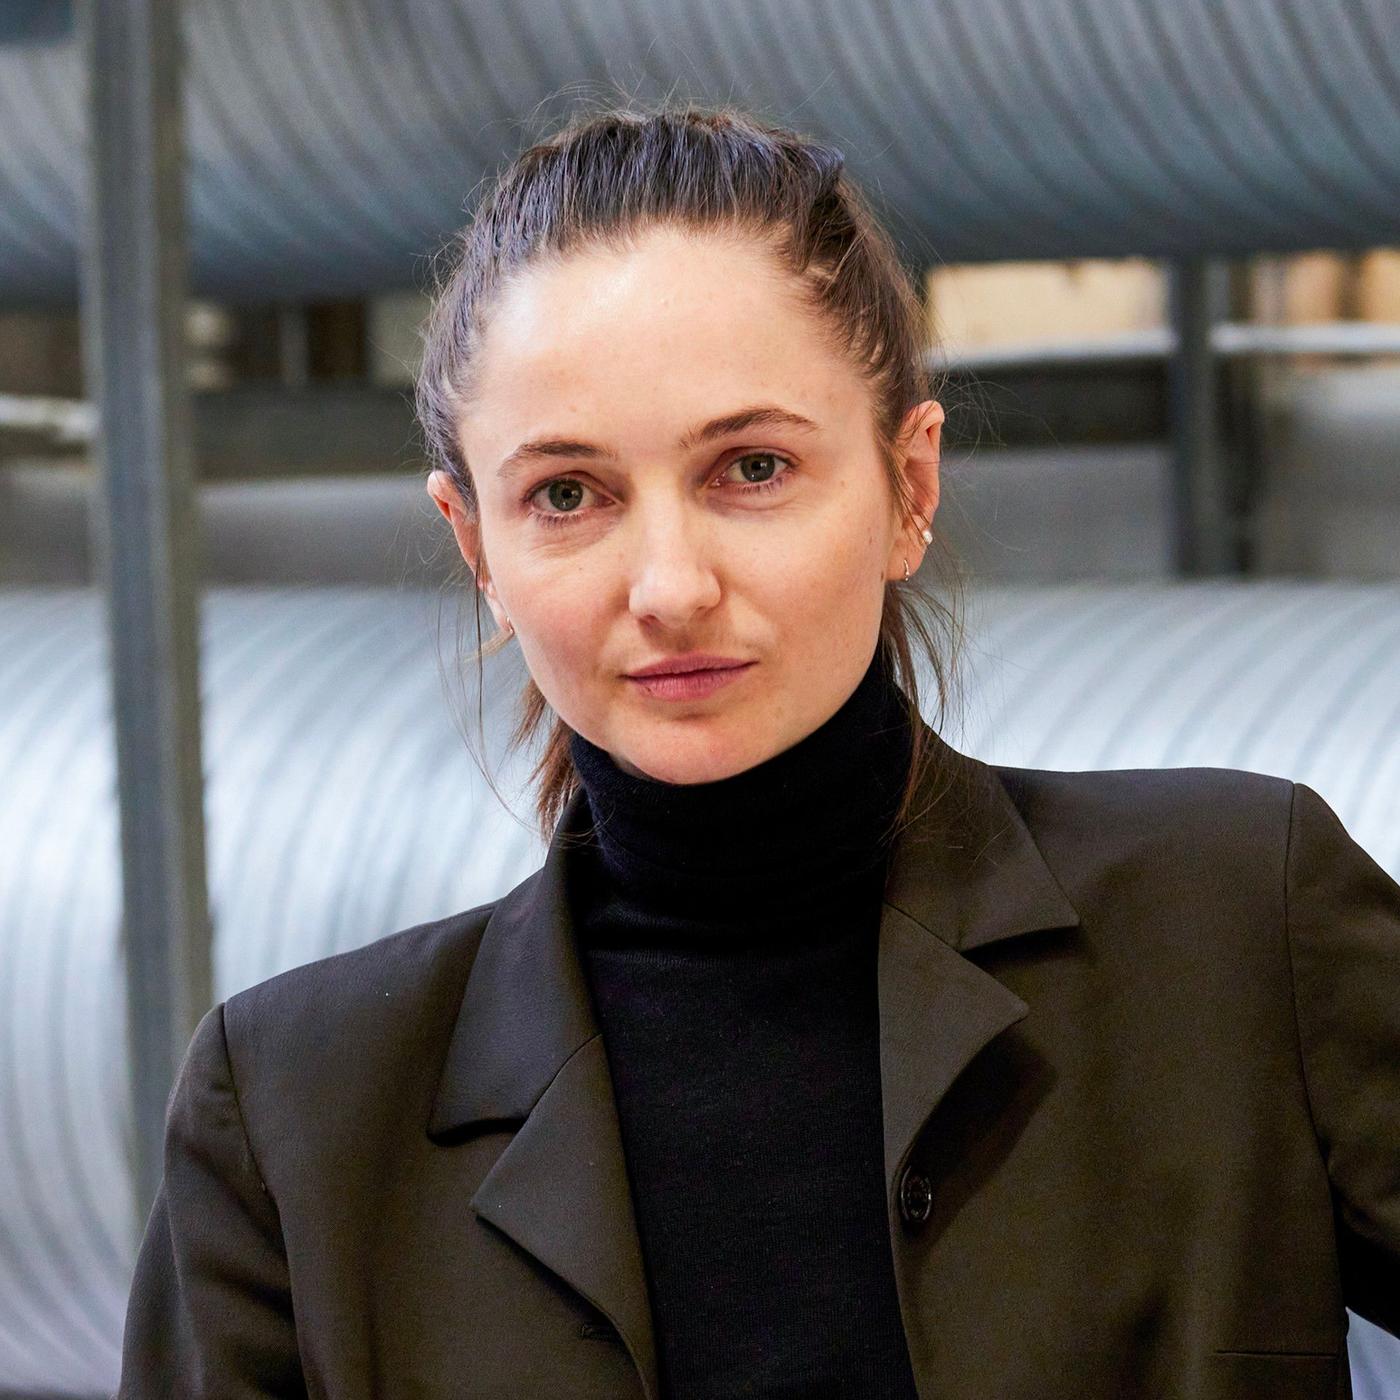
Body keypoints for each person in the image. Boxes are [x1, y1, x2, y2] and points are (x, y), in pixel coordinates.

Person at [117, 101, 1400, 1399]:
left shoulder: (1238, 920)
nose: (670, 584)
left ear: (910, 489)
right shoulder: (296, 1115)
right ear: (478, 548)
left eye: (752, 468)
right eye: (568, 494)